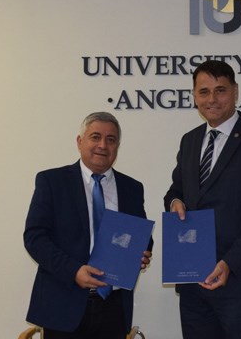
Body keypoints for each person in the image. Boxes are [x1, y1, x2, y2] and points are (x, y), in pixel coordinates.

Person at [164, 60, 241, 339]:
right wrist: (174, 203)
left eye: (220, 90)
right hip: (192, 283)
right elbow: (176, 190)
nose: (212, 99)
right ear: (194, 96)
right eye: (204, 91)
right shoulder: (189, 141)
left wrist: (230, 262)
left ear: (235, 91)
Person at [24, 112, 152, 339]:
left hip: (113, 309)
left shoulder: (132, 188)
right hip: (63, 304)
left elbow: (141, 236)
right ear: (80, 141)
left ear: (117, 146)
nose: (103, 145)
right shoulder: (52, 181)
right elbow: (35, 238)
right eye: (95, 137)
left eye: (111, 139)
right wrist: (73, 271)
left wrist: (142, 252)